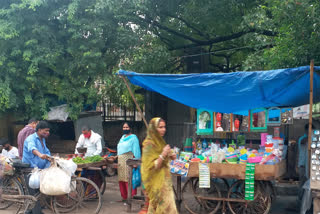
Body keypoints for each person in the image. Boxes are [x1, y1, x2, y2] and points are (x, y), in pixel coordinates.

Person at [141, 117, 178, 214]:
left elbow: (165, 158)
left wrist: (171, 156)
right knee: (165, 208)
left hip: (165, 181)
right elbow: (152, 166)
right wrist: (163, 154)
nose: (163, 130)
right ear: (154, 129)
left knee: (159, 208)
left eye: (164, 127)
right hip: (155, 183)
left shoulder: (160, 142)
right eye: (160, 127)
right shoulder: (148, 145)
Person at [22, 121, 51, 214]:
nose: (48, 133)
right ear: (39, 130)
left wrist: (51, 158)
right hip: (30, 169)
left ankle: (30, 211)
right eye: (46, 131)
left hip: (38, 169)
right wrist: (40, 154)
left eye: (48, 131)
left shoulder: (42, 139)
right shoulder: (31, 139)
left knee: (38, 192)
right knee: (33, 193)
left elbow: (46, 151)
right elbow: (32, 148)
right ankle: (36, 212)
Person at [117, 122, 141, 202]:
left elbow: (136, 150)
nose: (125, 129)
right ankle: (124, 197)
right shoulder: (122, 137)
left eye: (127, 127)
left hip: (129, 161)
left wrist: (135, 162)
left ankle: (131, 197)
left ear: (130, 128)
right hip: (121, 162)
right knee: (121, 179)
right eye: (124, 127)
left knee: (129, 179)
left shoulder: (134, 138)